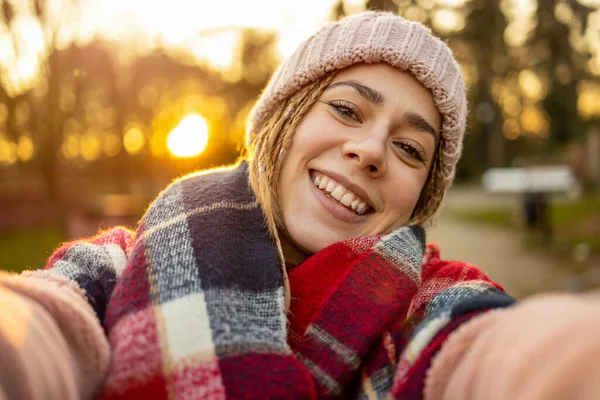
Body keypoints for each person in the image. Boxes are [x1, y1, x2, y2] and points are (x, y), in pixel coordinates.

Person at [1, 11, 599, 400]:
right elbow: (41, 325)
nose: (369, 151)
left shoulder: (428, 304)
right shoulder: (119, 268)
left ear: (423, 194)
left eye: (410, 148)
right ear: (284, 119)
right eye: (346, 109)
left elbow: (487, 351)